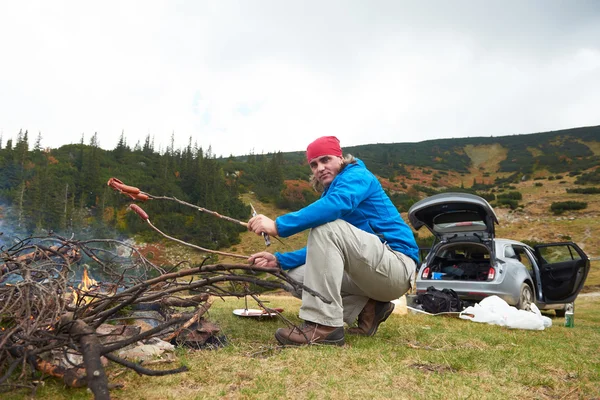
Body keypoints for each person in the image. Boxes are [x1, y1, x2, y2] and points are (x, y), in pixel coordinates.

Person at [247, 136, 419, 346]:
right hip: (372, 274)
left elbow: (336, 207)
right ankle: (369, 308)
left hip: (397, 267)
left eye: (325, 160)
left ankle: (324, 326)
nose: (320, 168)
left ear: (340, 158)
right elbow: (323, 252)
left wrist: (278, 226)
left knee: (326, 226)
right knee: (291, 275)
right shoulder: (331, 195)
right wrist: (279, 260)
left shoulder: (357, 175)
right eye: (314, 164)